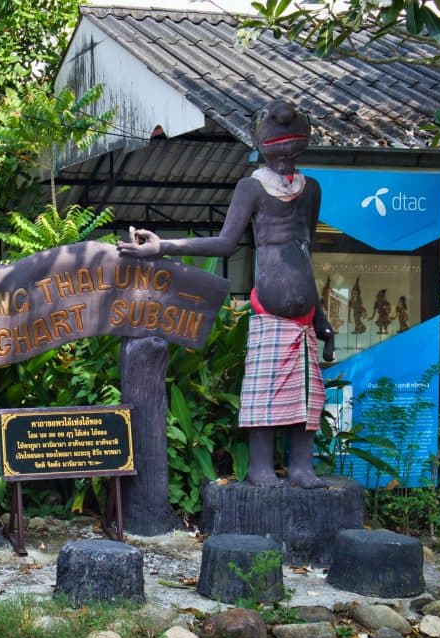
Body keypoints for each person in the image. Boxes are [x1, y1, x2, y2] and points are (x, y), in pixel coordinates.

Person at [117, 99, 334, 488]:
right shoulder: (252, 187)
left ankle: (302, 466)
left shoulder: (311, 189)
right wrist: (163, 247)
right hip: (270, 309)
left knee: (307, 393)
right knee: (265, 392)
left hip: (304, 313)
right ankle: (260, 466)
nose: (284, 120)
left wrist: (320, 315)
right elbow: (224, 242)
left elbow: (307, 249)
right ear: (258, 140)